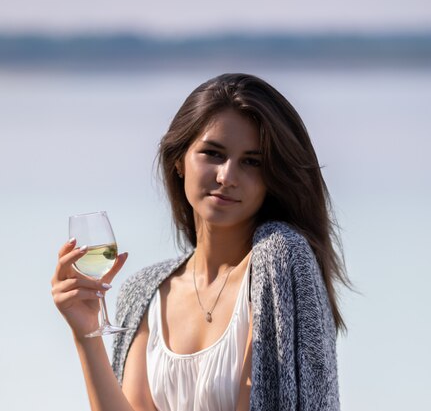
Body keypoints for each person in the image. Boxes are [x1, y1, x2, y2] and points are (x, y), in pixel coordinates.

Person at [50, 73, 351, 411]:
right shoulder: (144, 292)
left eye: (251, 162)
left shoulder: (279, 259)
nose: (227, 177)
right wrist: (87, 334)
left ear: (272, 176)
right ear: (179, 160)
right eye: (212, 153)